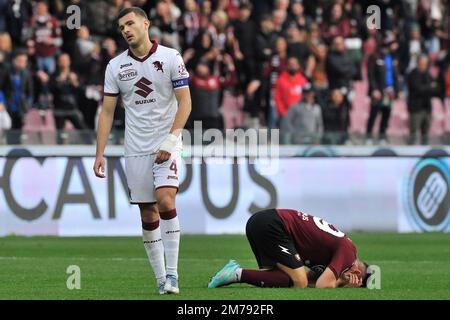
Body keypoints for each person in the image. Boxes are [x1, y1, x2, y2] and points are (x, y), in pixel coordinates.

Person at [93, 7, 191, 295]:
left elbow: (185, 102)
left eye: (130, 23)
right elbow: (107, 112)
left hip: (167, 142)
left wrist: (171, 140)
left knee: (165, 199)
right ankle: (161, 279)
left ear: (146, 24)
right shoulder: (115, 67)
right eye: (121, 26)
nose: (125, 30)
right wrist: (99, 153)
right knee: (148, 214)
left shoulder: (171, 58)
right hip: (135, 147)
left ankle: (173, 274)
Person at [208, 208, 370, 289]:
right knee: (299, 281)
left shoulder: (338, 253)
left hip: (262, 221)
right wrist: (341, 280)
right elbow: (323, 285)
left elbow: (312, 282)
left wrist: (337, 280)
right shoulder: (349, 253)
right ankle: (235, 274)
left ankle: (234, 273)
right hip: (274, 225)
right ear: (355, 272)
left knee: (286, 279)